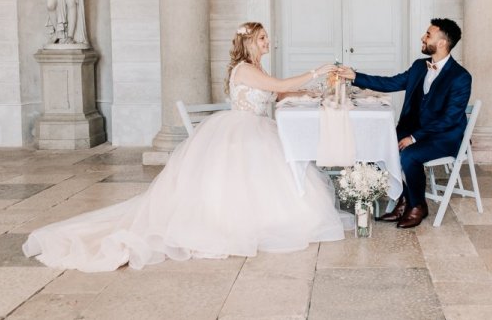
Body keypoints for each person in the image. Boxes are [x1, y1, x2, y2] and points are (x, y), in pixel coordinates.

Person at [23, 22, 345, 272]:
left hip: (259, 128)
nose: (267, 41)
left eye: (266, 37)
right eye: (262, 38)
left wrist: (311, 94)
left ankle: (269, 221)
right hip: (242, 132)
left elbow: (277, 94)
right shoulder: (245, 69)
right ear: (249, 42)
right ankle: (237, 226)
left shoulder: (257, 69)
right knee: (254, 177)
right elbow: (280, 86)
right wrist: (317, 71)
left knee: (276, 174)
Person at [337, 18, 471, 228]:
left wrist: (414, 137)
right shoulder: (420, 66)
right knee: (383, 143)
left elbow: (449, 119)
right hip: (416, 130)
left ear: (443, 43)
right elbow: (391, 82)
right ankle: (403, 199)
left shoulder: (461, 77)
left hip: (444, 137)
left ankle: (417, 205)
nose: (423, 37)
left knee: (409, 154)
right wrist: (355, 76)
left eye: (428, 34)